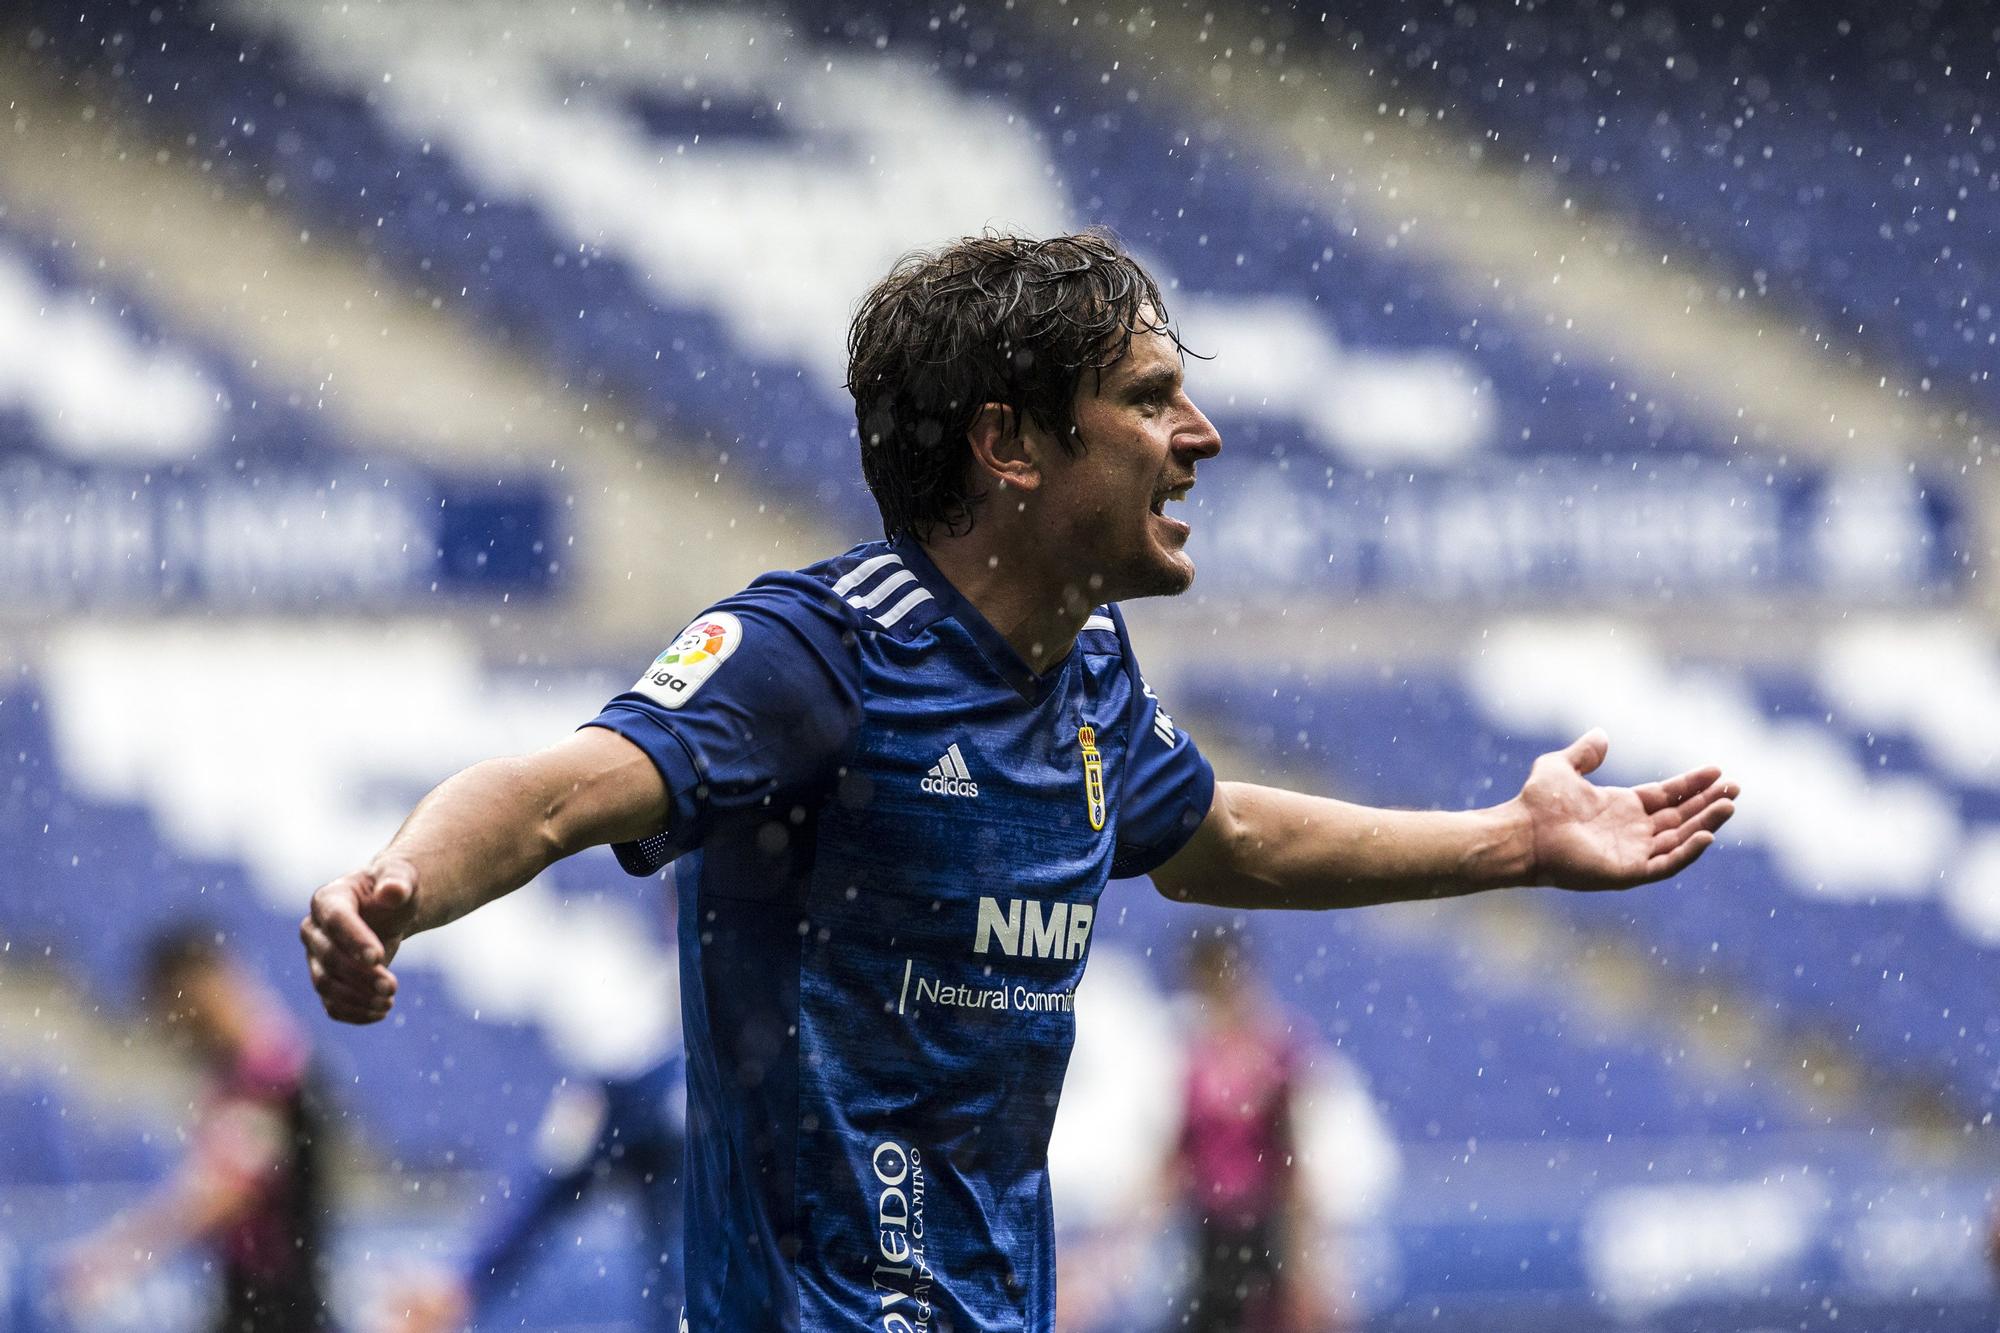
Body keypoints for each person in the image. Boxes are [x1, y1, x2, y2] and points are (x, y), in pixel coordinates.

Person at [299, 230, 1738, 1331]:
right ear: (1009, 447)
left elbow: (1221, 832)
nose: (1202, 436)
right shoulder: (818, 652)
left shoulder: (1090, 672)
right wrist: (400, 888)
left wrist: (1510, 837)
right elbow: (558, 790)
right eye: (1149, 399)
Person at [69, 924, 333, 1331]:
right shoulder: (242, 1066)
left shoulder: (268, 1065)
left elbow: (227, 1188)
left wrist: (120, 1255)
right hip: (263, 1301)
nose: (171, 1026)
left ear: (200, 986)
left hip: (277, 1308)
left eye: (171, 1008)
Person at [386, 1055, 686, 1332]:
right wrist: (465, 1281)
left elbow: (546, 1188)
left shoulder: (676, 1076)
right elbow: (548, 1185)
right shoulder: (625, 1082)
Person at [1168, 935, 1321, 1333]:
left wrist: (1307, 1258)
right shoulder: (1197, 1056)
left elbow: (1289, 1157)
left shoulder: (1269, 1052)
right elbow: (1180, 1151)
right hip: (1209, 1227)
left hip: (1260, 1226)